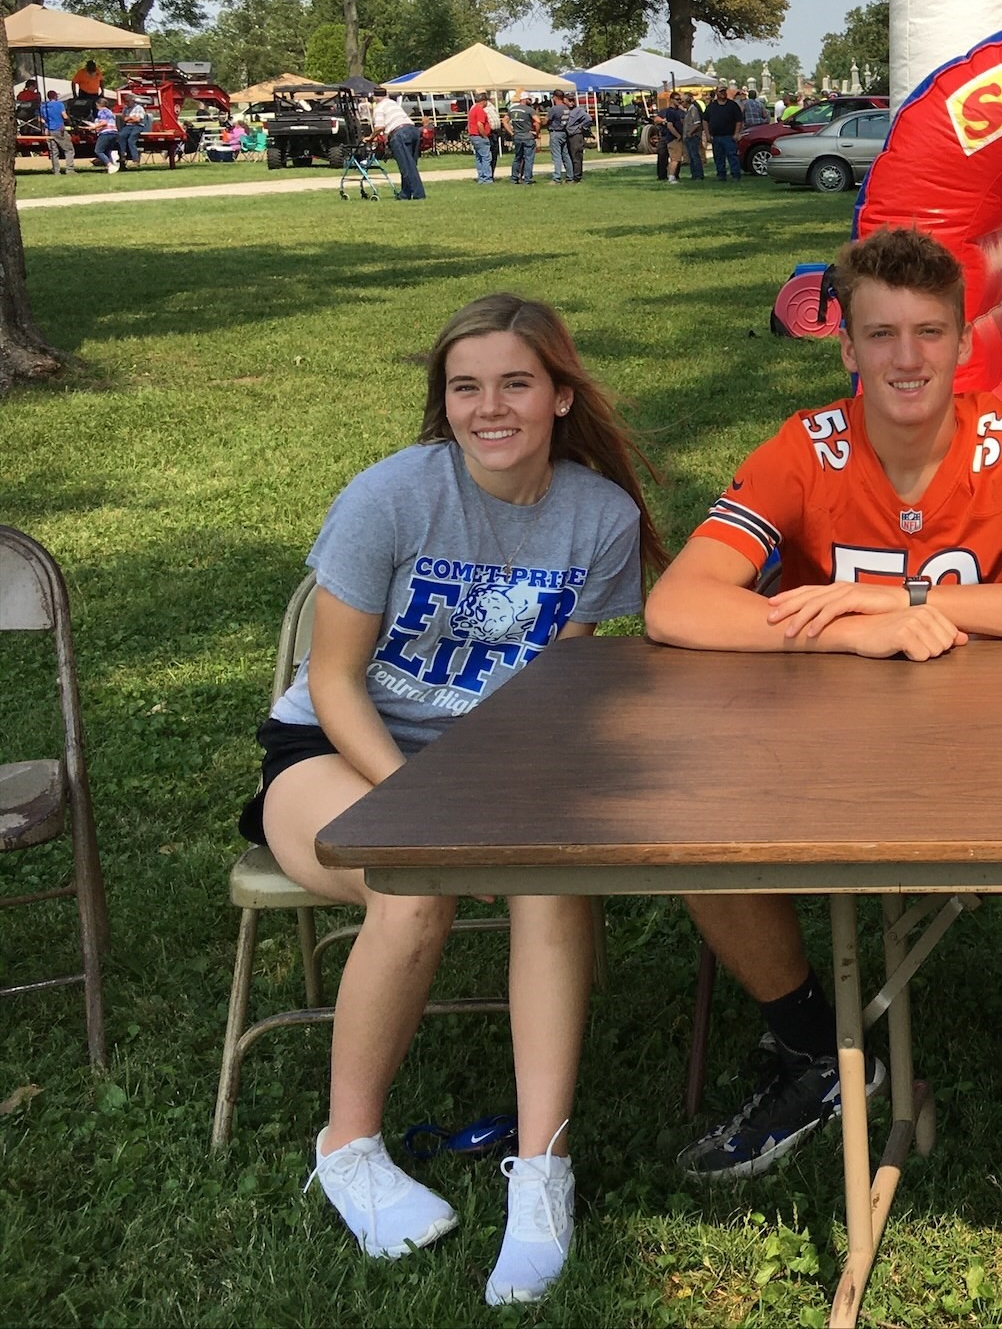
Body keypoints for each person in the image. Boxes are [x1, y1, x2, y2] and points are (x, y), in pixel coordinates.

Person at [643, 226, 1002, 1189]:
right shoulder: (804, 449)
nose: (907, 357)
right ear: (845, 348)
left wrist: (906, 599)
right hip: (822, 742)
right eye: (881, 335)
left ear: (966, 344)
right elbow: (676, 604)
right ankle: (812, 1052)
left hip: (991, 738)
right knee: (687, 802)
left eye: (929, 332)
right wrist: (846, 633)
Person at [241, 293, 663, 1304]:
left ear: (559, 395)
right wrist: (420, 801)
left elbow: (560, 687)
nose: (489, 406)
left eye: (514, 382)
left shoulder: (599, 517)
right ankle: (346, 1146)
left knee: (545, 880)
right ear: (444, 403)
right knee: (411, 884)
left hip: (493, 760)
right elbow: (334, 683)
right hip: (333, 750)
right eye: (464, 386)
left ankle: (543, 1173)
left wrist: (512, 796)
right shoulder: (389, 497)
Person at [372, 89, 424, 199]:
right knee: (410, 164)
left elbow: (379, 127)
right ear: (386, 95)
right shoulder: (393, 103)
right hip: (413, 130)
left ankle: (419, 194)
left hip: (399, 133)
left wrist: (370, 137)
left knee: (406, 166)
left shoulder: (379, 107)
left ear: (375, 97)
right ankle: (405, 194)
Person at [704, 85, 743, 179]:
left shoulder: (732, 105)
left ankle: (735, 174)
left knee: (732, 156)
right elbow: (705, 120)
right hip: (716, 137)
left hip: (729, 136)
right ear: (717, 93)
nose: (723, 93)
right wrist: (707, 134)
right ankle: (721, 175)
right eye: (721, 91)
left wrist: (736, 133)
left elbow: (739, 120)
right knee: (718, 157)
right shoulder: (711, 106)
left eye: (724, 91)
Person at [41, 90, 74, 174]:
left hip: (48, 130)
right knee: (69, 149)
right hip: (59, 128)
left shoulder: (43, 106)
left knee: (53, 151)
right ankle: (70, 169)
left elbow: (41, 119)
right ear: (55, 96)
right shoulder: (59, 104)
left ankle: (56, 171)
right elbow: (65, 116)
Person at [507, 100, 538, 185]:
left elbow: (504, 121)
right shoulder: (529, 110)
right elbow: (537, 121)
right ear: (524, 99)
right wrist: (537, 133)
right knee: (528, 158)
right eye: (529, 99)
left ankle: (514, 178)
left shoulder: (512, 109)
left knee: (517, 158)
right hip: (527, 136)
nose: (531, 101)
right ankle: (527, 179)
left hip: (517, 136)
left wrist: (511, 132)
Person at [467, 95, 494, 184]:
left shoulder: (473, 109)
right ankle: (487, 178)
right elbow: (479, 124)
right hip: (479, 136)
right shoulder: (480, 110)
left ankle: (481, 177)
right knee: (486, 157)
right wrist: (484, 135)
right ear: (483, 101)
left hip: (473, 136)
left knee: (479, 157)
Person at [87, 98, 120, 173]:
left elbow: (104, 122)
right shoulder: (109, 111)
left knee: (98, 151)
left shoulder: (101, 111)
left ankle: (110, 165)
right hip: (114, 132)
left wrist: (94, 127)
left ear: (98, 104)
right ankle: (111, 167)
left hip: (106, 133)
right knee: (107, 151)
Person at [679, 94, 707, 182]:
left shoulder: (693, 109)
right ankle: (694, 175)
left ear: (686, 102)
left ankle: (699, 175)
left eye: (682, 101)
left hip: (693, 137)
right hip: (688, 137)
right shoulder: (687, 111)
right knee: (691, 157)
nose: (681, 103)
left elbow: (697, 123)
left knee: (695, 156)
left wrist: (690, 133)